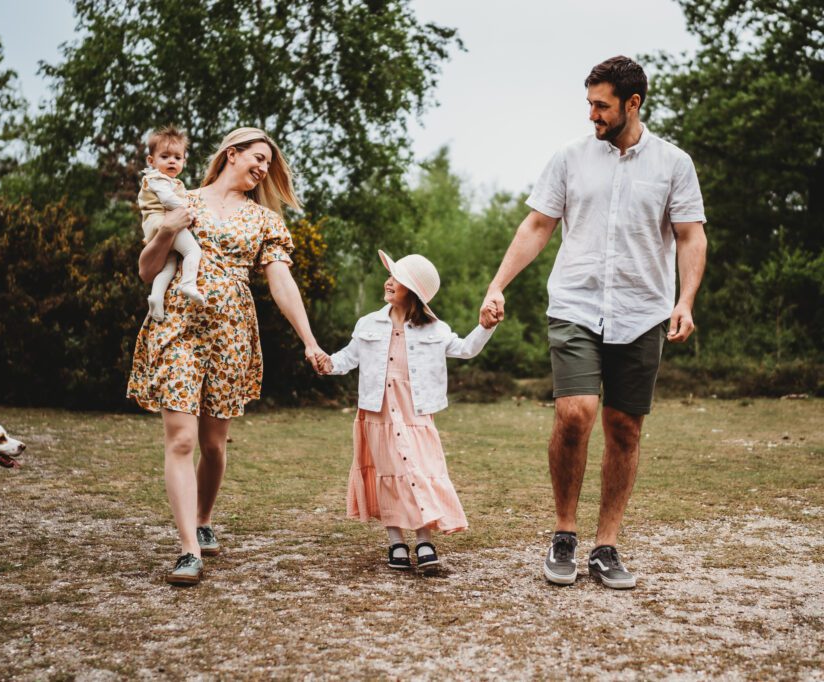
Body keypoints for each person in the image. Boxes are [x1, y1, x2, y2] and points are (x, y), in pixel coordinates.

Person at [480, 56, 707, 589]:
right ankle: (564, 533)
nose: (591, 115)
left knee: (624, 428)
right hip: (576, 305)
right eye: (588, 103)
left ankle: (606, 546)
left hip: (642, 310)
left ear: (633, 103)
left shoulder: (674, 164)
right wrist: (497, 284)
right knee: (576, 413)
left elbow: (691, 236)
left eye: (601, 105)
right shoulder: (569, 158)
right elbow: (538, 224)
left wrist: (686, 299)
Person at [128, 127, 326, 585]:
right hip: (177, 325)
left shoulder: (264, 221)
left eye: (268, 165)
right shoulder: (180, 197)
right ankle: (188, 550)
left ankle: (203, 517)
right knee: (180, 440)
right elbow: (146, 270)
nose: (262, 169)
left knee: (213, 445)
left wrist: (309, 340)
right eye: (257, 158)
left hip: (231, 334)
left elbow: (281, 283)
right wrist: (170, 230)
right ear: (231, 154)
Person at [320, 251, 497, 575]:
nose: (388, 281)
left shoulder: (435, 328)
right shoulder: (369, 323)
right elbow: (346, 359)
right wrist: (324, 362)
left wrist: (484, 327)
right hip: (377, 412)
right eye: (390, 275)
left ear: (413, 290)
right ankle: (395, 541)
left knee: (419, 472)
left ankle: (424, 539)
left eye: (397, 278)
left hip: (415, 412)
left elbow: (465, 349)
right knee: (386, 476)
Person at [137, 125, 204, 321]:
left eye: (177, 157)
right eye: (165, 157)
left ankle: (156, 298)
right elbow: (167, 200)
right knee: (193, 251)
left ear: (184, 160)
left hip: (158, 226)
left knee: (169, 264)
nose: (171, 161)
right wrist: (189, 209)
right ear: (151, 161)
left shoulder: (168, 180)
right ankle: (188, 283)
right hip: (163, 222)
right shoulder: (157, 178)